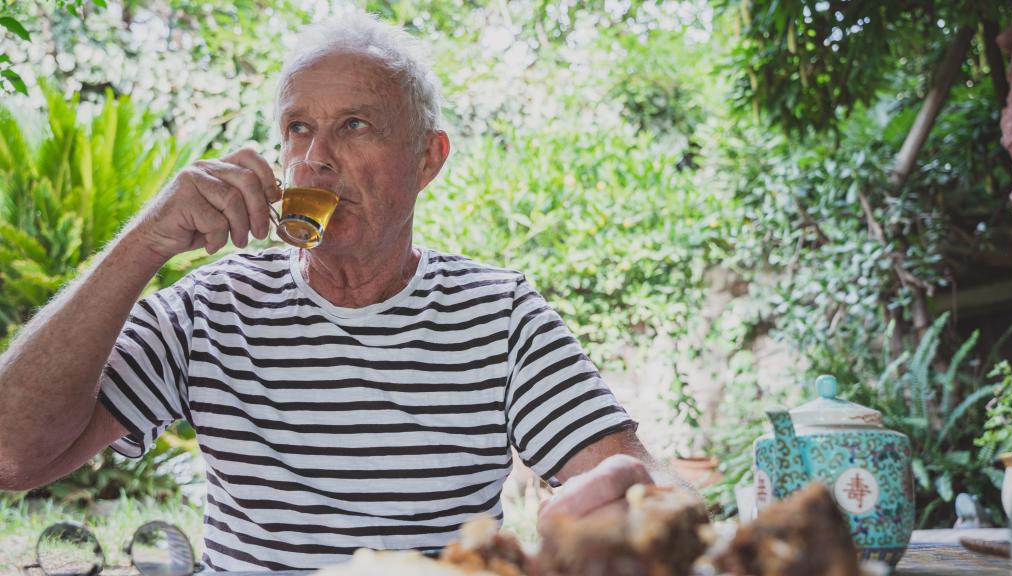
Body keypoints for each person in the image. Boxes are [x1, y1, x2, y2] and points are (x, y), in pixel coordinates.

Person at [0, 9, 697, 571]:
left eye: (353, 126)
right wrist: (143, 243)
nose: (316, 157)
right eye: (297, 128)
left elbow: (647, 491)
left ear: (428, 160)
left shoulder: (499, 315)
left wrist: (627, 497)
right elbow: (12, 455)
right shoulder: (210, 308)